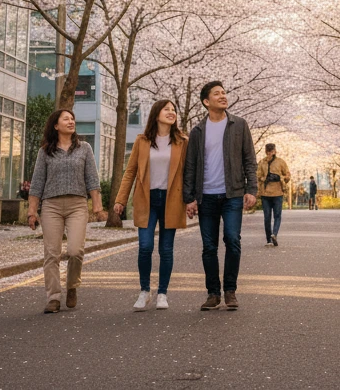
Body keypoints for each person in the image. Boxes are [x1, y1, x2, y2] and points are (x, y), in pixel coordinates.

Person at [182, 81, 257, 311]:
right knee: (209, 247)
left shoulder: (239, 125)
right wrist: (189, 198)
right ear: (207, 101)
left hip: (232, 194)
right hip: (206, 196)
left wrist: (251, 189)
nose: (223, 96)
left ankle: (230, 291)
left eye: (224, 92)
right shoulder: (197, 131)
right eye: (217, 94)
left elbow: (249, 159)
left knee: (233, 240)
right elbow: (190, 166)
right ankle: (213, 293)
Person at [28, 109, 106, 313]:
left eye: (73, 118)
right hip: (51, 206)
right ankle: (53, 298)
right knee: (52, 254)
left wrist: (97, 206)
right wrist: (32, 211)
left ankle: (72, 286)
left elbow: (92, 179)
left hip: (77, 205)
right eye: (66, 119)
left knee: (75, 251)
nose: (71, 121)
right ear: (56, 125)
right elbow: (37, 183)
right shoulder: (45, 152)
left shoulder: (84, 148)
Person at [114, 99, 188, 311]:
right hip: (147, 199)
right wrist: (120, 199)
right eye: (167, 109)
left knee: (166, 249)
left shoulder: (182, 141)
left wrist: (191, 199)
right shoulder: (142, 140)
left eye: (174, 110)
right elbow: (130, 172)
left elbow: (188, 172)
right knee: (145, 247)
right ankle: (144, 291)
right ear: (156, 114)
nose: (171, 112)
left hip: (171, 199)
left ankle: (162, 293)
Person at [257, 143, 291, 246]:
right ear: (266, 151)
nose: (270, 153)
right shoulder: (262, 163)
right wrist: (265, 178)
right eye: (268, 151)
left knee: (277, 215)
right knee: (267, 217)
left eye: (272, 151)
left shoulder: (281, 162)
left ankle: (274, 235)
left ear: (275, 151)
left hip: (277, 192)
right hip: (265, 193)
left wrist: (280, 177)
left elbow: (288, 175)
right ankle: (269, 239)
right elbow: (257, 176)